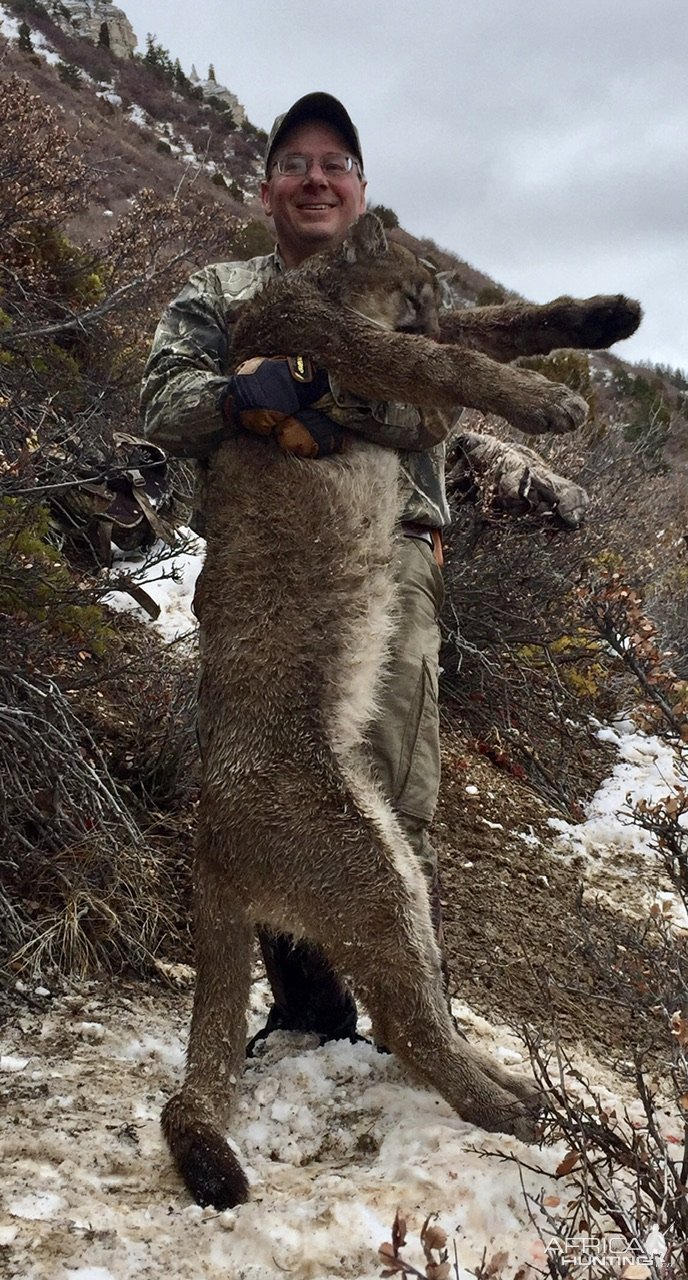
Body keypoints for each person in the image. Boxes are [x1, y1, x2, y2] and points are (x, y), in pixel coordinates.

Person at [141, 92, 588, 1046]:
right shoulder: (220, 293)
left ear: (361, 192)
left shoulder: (401, 296)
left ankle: (413, 1022)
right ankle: (309, 1009)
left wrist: (311, 392)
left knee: (385, 776)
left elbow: (427, 415)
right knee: (265, 776)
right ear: (267, 188)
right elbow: (166, 403)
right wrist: (238, 394)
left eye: (334, 164)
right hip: (264, 566)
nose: (315, 178)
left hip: (385, 552)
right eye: (295, 163)